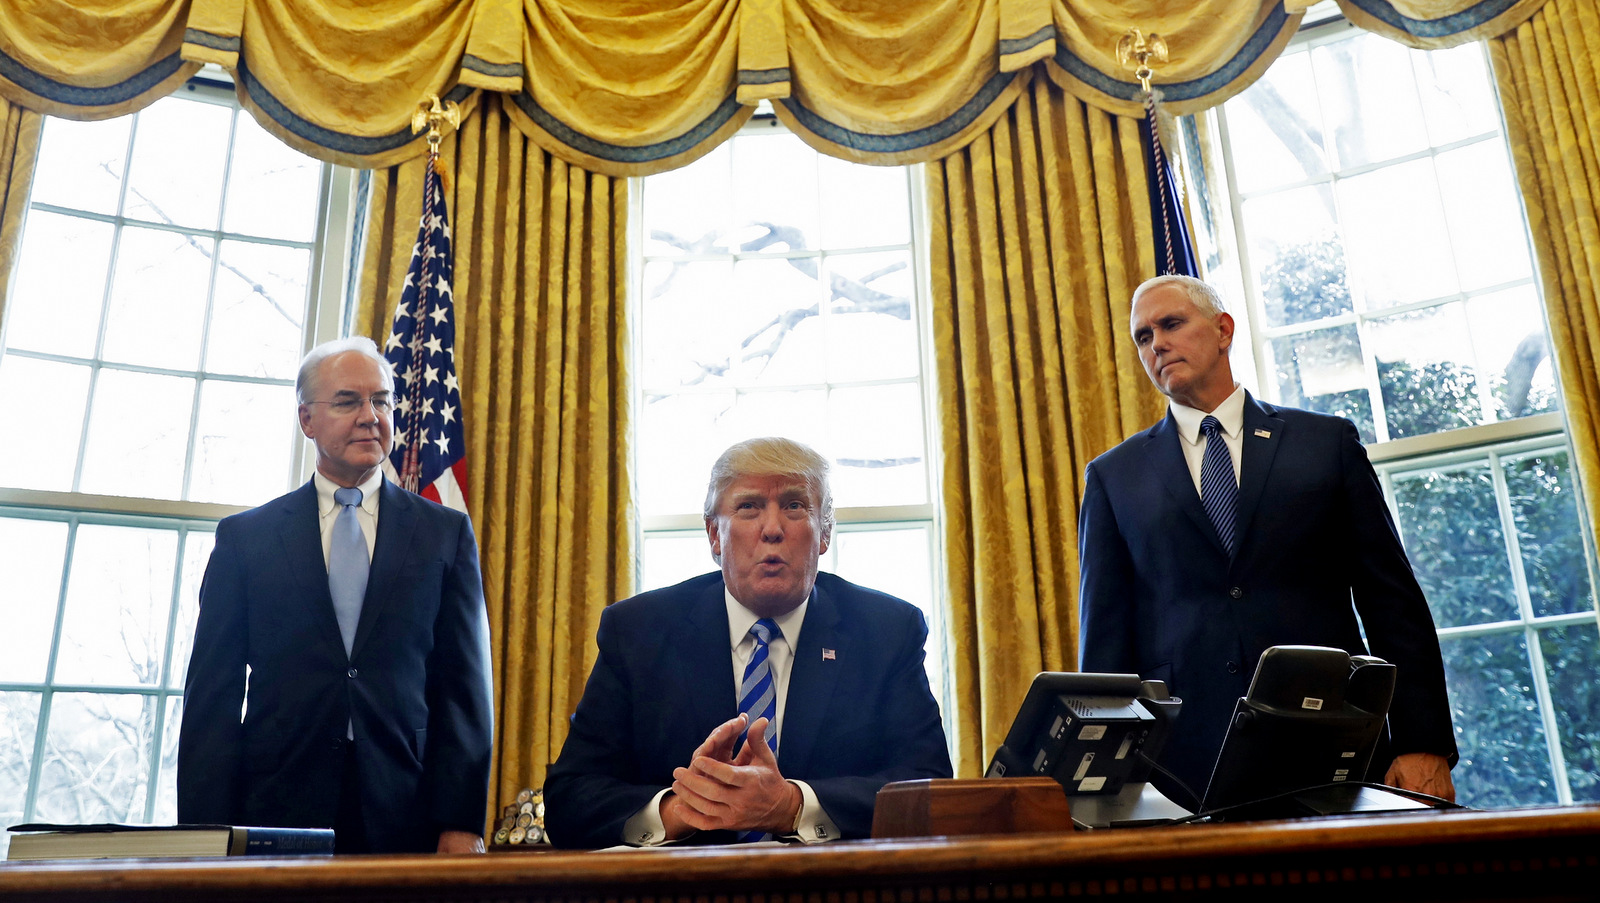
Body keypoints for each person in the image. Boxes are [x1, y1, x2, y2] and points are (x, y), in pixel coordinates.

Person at [1077, 275, 1457, 805]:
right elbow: (1105, 650)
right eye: (1143, 337)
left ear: (1223, 329)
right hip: (1182, 770)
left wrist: (1423, 743)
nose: (1156, 344)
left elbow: (1393, 604)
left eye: (1171, 324)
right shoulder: (1114, 478)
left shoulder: (1325, 444)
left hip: (1335, 743)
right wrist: (1106, 783)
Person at [545, 437, 951, 848]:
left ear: (824, 533)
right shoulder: (638, 631)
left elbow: (929, 787)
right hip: (680, 898)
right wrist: (678, 809)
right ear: (714, 536)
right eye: (748, 507)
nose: (772, 529)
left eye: (794, 506)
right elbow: (569, 798)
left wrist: (794, 805)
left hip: (833, 895)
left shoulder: (886, 631)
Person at [177, 337, 494, 854]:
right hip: (274, 811)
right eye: (348, 401)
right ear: (307, 420)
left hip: (405, 810)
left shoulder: (445, 534)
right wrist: (204, 832)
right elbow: (212, 696)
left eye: (382, 401)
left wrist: (460, 821)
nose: (371, 416)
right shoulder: (246, 539)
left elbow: (465, 691)